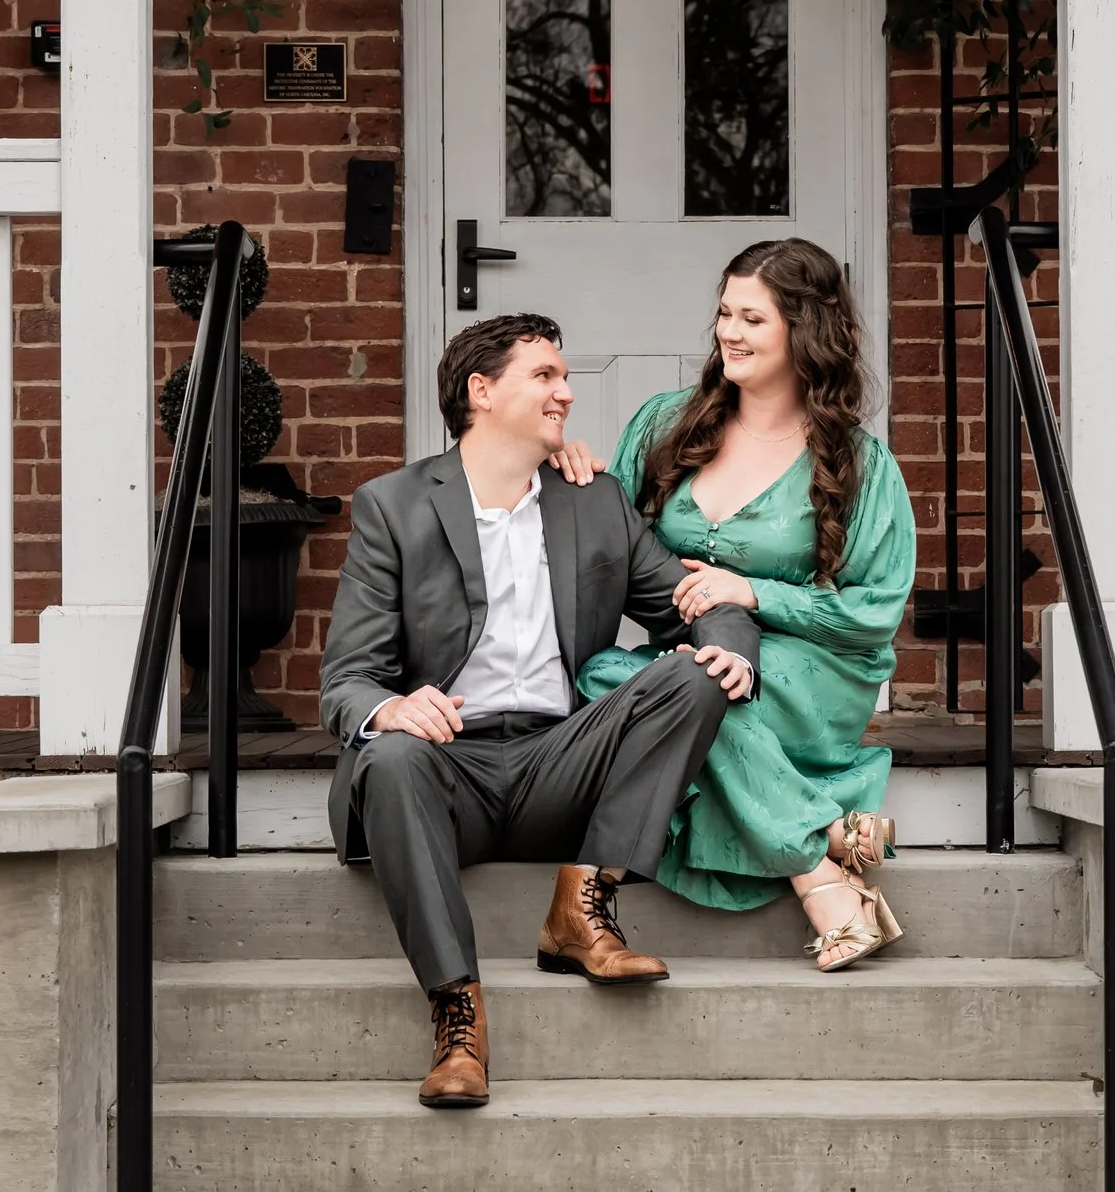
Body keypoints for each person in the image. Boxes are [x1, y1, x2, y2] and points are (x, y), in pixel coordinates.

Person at [318, 313, 760, 1109]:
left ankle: (583, 904)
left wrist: (731, 637)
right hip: (445, 769)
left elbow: (687, 600)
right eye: (546, 375)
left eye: (564, 376)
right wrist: (392, 706)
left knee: (693, 677)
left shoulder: (594, 503)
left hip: (562, 761)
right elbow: (346, 678)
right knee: (389, 754)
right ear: (481, 392)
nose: (566, 391)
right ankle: (459, 1020)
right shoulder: (395, 505)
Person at [558, 238, 917, 972]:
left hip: (808, 669)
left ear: (804, 330)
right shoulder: (667, 423)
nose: (729, 331)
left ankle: (820, 879)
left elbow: (874, 611)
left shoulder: (856, 462)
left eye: (752, 317)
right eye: (724, 312)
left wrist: (756, 592)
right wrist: (581, 482)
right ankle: (819, 845)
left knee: (694, 688)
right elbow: (612, 543)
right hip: (687, 659)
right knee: (603, 676)